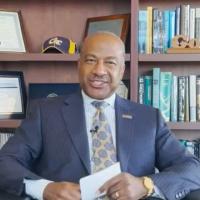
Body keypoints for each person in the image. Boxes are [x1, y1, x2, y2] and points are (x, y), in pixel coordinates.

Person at [0, 31, 200, 200]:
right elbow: (5, 162)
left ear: (121, 70)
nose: (99, 70)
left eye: (110, 63)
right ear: (79, 66)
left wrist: (145, 184)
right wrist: (44, 188)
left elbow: (192, 169)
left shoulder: (149, 119)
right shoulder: (45, 112)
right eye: (91, 60)